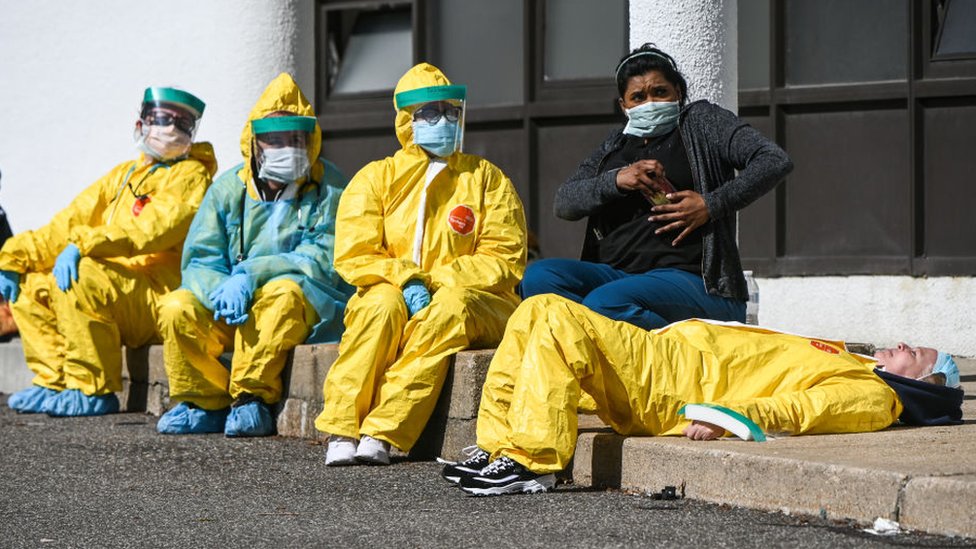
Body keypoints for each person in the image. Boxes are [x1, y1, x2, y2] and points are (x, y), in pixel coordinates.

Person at [443, 294, 964, 496]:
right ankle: (499, 444)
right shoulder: (852, 360)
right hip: (666, 358)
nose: (902, 345)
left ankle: (532, 461)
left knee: (556, 315)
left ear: (923, 385)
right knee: (534, 310)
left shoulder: (873, 395)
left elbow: (798, 410)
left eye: (914, 352)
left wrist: (729, 417)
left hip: (673, 383)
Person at [315, 63, 527, 465]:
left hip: (479, 301)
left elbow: (504, 258)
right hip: (393, 289)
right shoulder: (376, 178)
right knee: (379, 308)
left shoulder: (486, 178)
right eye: (430, 113)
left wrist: (435, 282)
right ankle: (342, 428)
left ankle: (383, 428)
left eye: (450, 111)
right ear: (406, 121)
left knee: (450, 309)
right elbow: (354, 253)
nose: (444, 121)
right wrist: (405, 279)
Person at [519, 44, 793, 330]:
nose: (649, 102)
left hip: (693, 281)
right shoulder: (615, 146)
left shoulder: (702, 122)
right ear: (623, 106)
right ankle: (594, 345)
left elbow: (774, 160)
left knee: (605, 304)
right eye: (638, 97)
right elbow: (564, 203)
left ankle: (671, 355)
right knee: (539, 278)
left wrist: (710, 205)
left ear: (678, 91)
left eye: (660, 92)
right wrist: (616, 180)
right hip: (618, 276)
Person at [155, 73, 352, 438]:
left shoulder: (330, 186)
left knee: (284, 295)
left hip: (296, 304)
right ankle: (203, 402)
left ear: (311, 140)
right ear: (255, 144)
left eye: (295, 139)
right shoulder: (229, 188)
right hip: (232, 301)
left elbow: (322, 257)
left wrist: (250, 274)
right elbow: (202, 257)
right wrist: (222, 289)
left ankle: (251, 398)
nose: (287, 148)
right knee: (177, 307)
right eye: (274, 140)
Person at [1, 87, 216, 416]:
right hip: (121, 289)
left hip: (157, 291)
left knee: (81, 276)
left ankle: (92, 389)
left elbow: (152, 230)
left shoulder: (191, 176)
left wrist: (83, 245)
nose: (171, 128)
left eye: (183, 123)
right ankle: (54, 381)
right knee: (32, 284)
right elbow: (67, 224)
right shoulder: (123, 175)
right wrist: (14, 258)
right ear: (141, 123)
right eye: (161, 118)